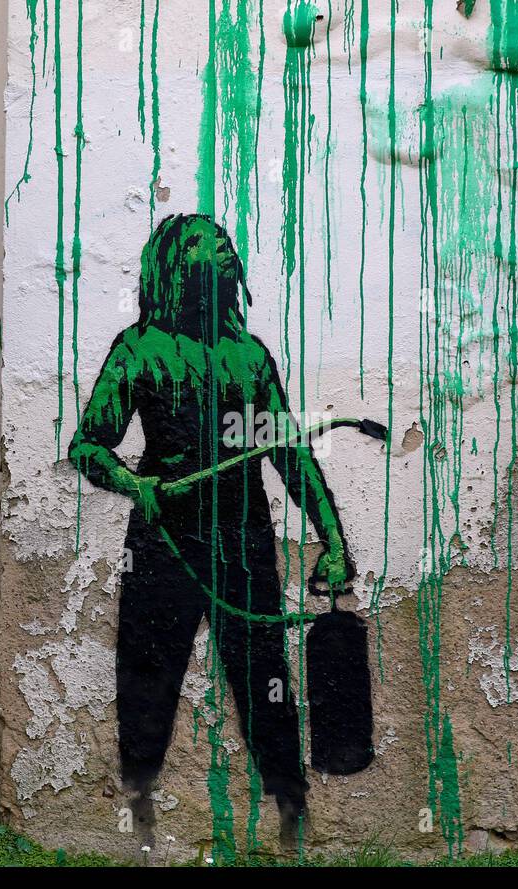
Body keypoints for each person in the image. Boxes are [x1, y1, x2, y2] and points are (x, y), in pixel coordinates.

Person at [69, 213, 354, 848]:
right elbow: (88, 446)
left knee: (265, 686)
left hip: (243, 546)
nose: (221, 251)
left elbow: (290, 454)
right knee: (147, 683)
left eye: (224, 244)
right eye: (204, 245)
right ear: (174, 265)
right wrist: (133, 484)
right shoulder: (137, 350)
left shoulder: (249, 356)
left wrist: (333, 539)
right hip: (164, 546)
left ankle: (291, 820)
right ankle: (137, 819)